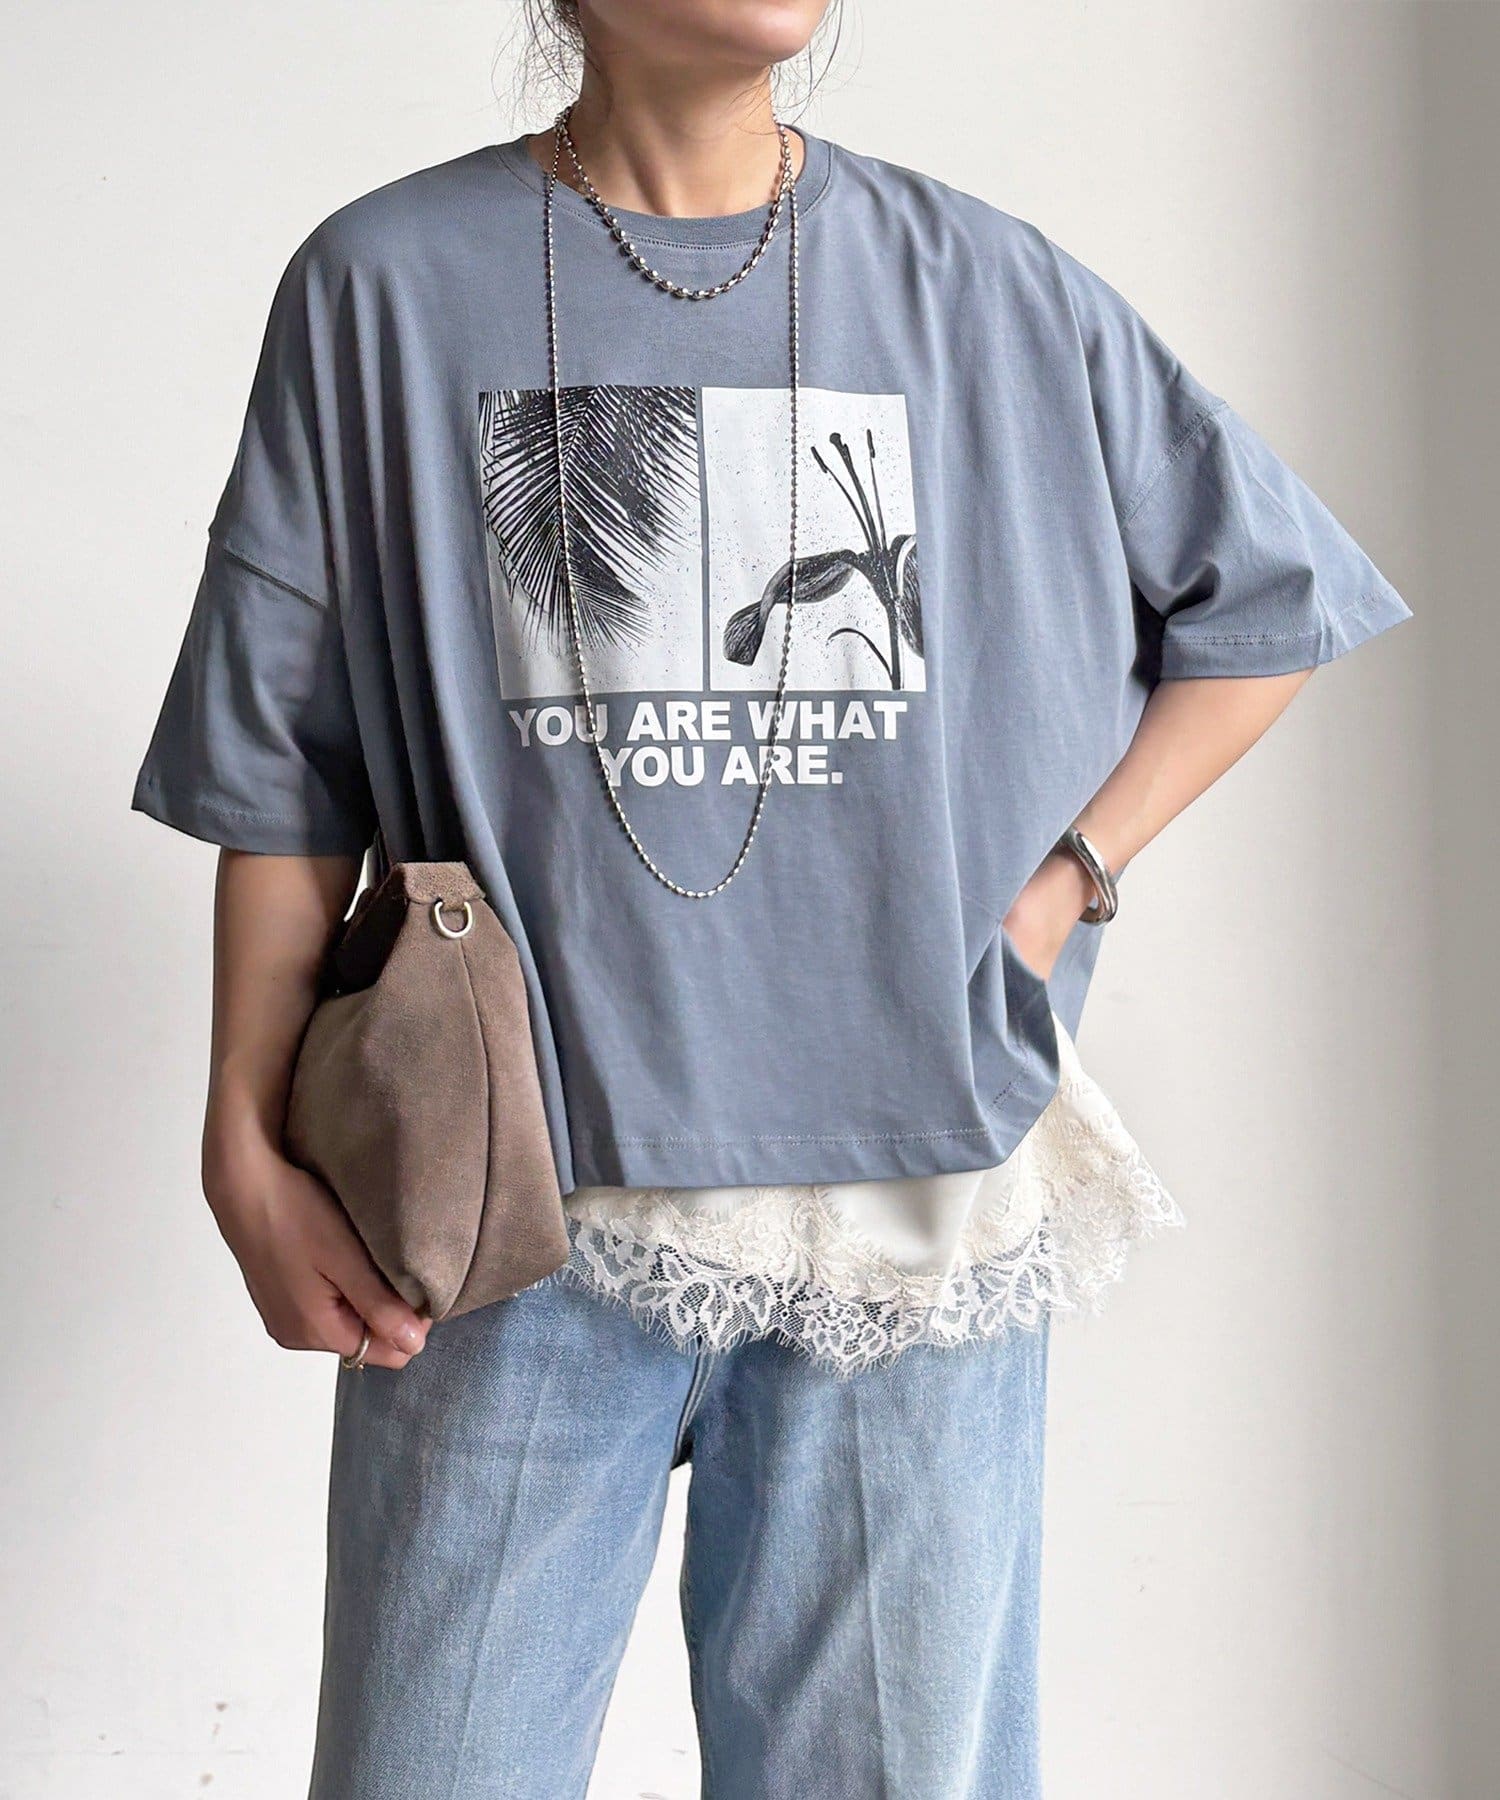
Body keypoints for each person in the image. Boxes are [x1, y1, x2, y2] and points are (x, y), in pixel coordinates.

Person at [132, 2, 1410, 1794]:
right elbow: (282, 767)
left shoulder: (990, 287)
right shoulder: (385, 285)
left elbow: (1265, 599)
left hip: (908, 1199)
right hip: (503, 1196)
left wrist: (1063, 888)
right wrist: (240, 1134)